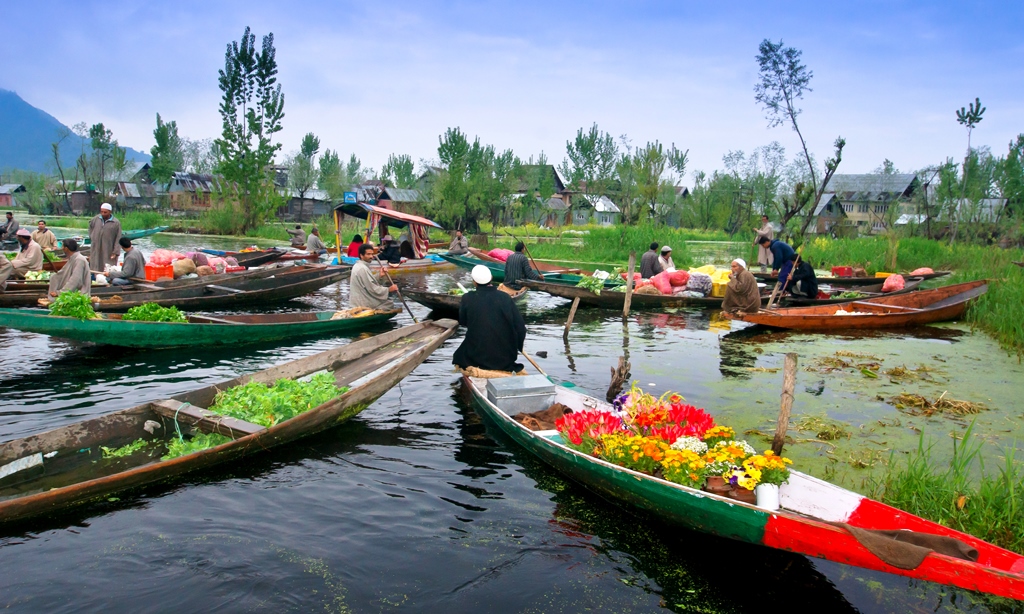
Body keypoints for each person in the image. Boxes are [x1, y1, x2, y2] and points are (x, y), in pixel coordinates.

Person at [452, 265, 527, 373]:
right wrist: (517, 348)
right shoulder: (505, 297)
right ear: (491, 278)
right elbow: (521, 329)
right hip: (504, 358)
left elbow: (463, 322)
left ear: (474, 282)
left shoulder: (467, 298)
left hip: (476, 356)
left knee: (459, 355)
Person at [349, 242, 397, 309]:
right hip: (361, 302)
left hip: (361, 299)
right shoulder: (362, 268)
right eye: (368, 254)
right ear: (361, 255)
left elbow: (368, 282)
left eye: (372, 254)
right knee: (389, 303)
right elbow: (372, 288)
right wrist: (388, 290)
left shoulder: (360, 266)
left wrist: (380, 275)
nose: (371, 256)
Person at [88, 203, 122, 271]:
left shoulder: (115, 223)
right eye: (102, 212)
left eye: (105, 212)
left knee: (108, 265)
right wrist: (92, 237)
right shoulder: (96, 219)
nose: (103, 213)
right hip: (96, 247)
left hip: (108, 248)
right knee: (95, 263)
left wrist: (115, 252)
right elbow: (90, 227)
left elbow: (118, 238)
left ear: (110, 212)